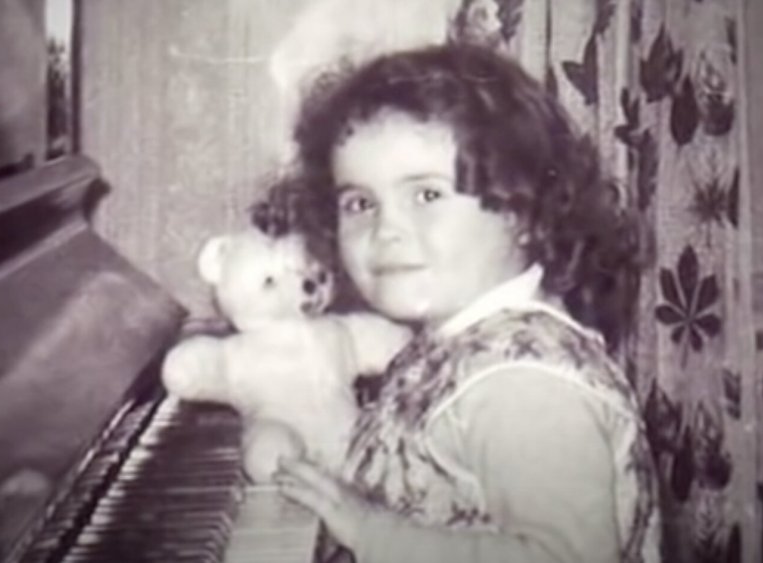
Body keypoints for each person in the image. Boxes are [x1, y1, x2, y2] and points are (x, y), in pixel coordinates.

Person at [261, 43, 661, 563]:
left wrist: (369, 531)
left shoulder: (523, 383)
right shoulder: (459, 343)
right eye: (360, 203)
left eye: (426, 195)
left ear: (522, 213)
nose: (385, 231)